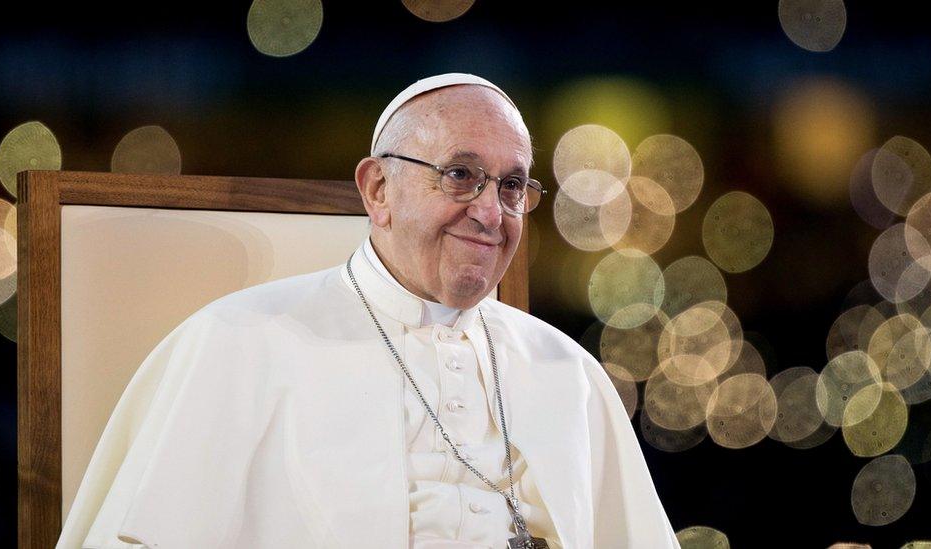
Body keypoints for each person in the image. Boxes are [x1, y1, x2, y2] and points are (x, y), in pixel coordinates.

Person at [56, 73, 681, 548]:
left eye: (512, 186)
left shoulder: (569, 374)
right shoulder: (236, 344)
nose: (492, 213)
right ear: (378, 190)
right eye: (461, 175)